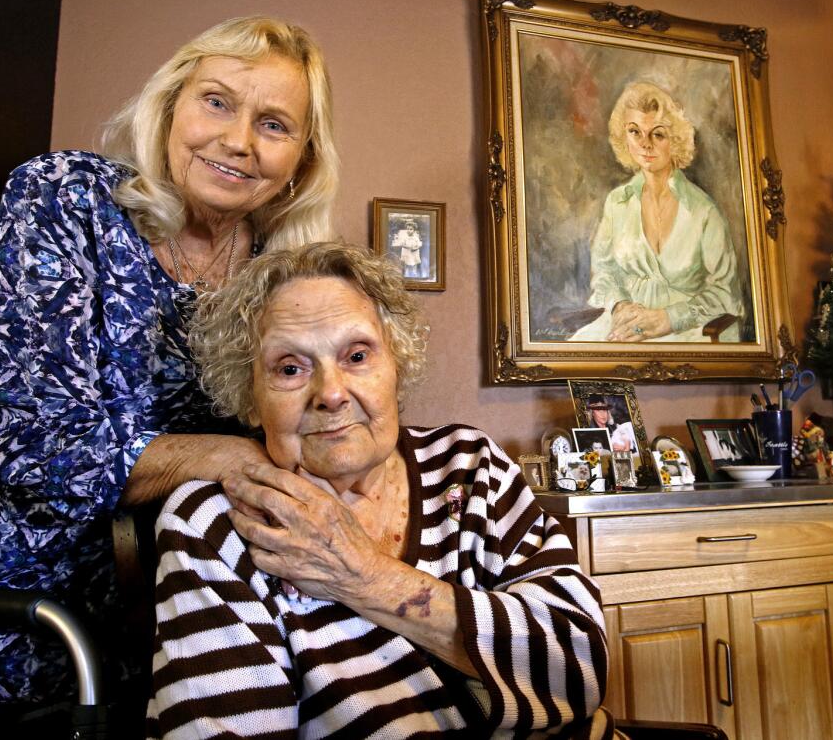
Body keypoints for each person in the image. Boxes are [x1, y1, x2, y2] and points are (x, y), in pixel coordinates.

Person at [0, 16, 338, 731]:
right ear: (171, 106)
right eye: (218, 102)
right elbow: (46, 455)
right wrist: (233, 455)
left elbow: (315, 436)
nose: (238, 140)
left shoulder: (283, 277)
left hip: (175, 635)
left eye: (274, 123)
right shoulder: (64, 199)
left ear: (301, 160)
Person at [147, 243, 609, 738]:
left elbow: (580, 667)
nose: (330, 393)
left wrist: (365, 576)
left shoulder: (469, 465)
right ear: (250, 397)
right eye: (289, 368)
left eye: (357, 355)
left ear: (397, 367)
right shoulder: (217, 526)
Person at [570, 81, 744, 343]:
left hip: (689, 328)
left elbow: (726, 293)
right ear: (623, 137)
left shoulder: (703, 210)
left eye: (658, 134)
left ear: (674, 140)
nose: (645, 144)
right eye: (634, 132)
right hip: (628, 324)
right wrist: (619, 306)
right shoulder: (617, 203)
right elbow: (604, 272)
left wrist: (668, 319)